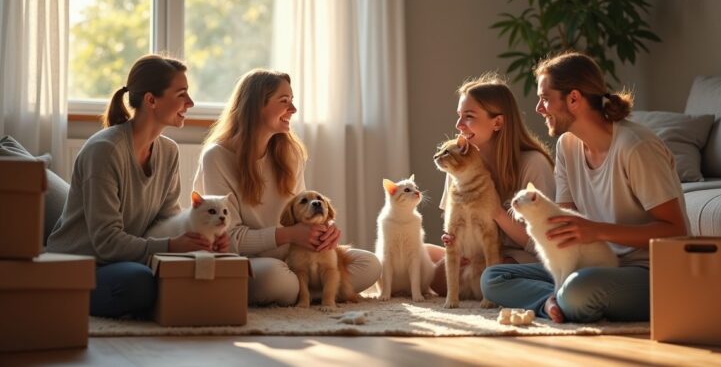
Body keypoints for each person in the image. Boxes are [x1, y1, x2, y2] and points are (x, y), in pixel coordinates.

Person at [481, 51, 689, 323]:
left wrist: (597, 231)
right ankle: (551, 301)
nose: (538, 108)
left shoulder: (636, 147)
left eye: (545, 99)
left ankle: (562, 298)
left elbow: (676, 231)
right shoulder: (567, 146)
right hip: (588, 264)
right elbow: (562, 224)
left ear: (574, 99)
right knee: (494, 277)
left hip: (647, 272)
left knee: (579, 292)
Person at [47, 54, 223, 319]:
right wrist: (173, 246)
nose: (191, 103)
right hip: (83, 265)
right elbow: (106, 242)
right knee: (140, 284)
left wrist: (201, 237)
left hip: (126, 260)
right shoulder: (105, 151)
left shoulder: (168, 151)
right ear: (151, 100)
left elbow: (167, 219)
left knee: (200, 277)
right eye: (182, 94)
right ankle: (55, 299)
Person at [193, 68, 381, 306]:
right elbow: (228, 238)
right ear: (256, 106)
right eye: (284, 102)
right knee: (276, 279)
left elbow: (301, 214)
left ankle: (303, 293)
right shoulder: (216, 158)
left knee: (370, 264)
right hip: (246, 259)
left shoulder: (290, 152)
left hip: (293, 257)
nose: (293, 110)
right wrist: (289, 235)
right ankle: (314, 291)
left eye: (292, 101)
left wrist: (324, 230)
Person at [427, 73, 555, 296]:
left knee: (489, 275)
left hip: (521, 253)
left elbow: (542, 241)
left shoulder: (533, 164)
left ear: (497, 122)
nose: (459, 125)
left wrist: (496, 212)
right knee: (435, 275)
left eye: (468, 116)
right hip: (476, 250)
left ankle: (545, 294)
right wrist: (452, 238)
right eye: (459, 116)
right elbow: (453, 222)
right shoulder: (460, 164)